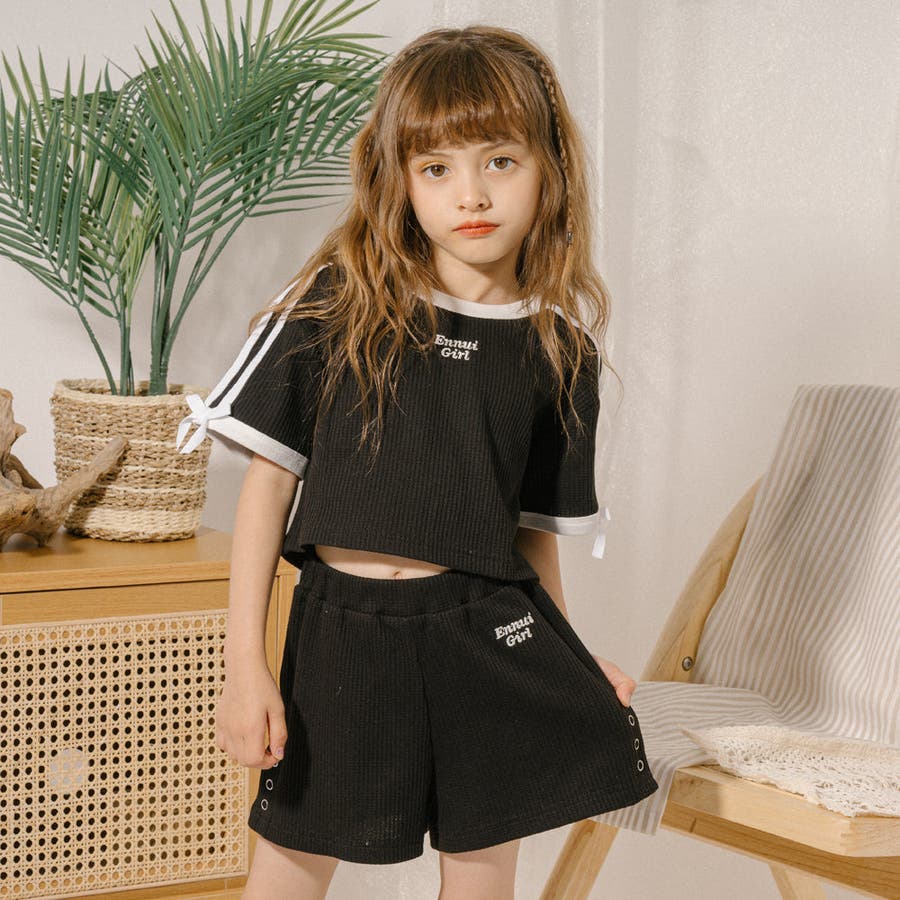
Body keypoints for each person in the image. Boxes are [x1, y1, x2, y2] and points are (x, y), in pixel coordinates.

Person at [175, 23, 659, 900]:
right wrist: (244, 667)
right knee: (287, 870)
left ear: (549, 168)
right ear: (398, 179)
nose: (471, 193)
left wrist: (573, 662)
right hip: (343, 634)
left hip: (488, 635)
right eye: (436, 168)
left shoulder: (560, 350)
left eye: (500, 161)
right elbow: (267, 489)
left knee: (481, 877)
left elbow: (531, 538)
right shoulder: (338, 302)